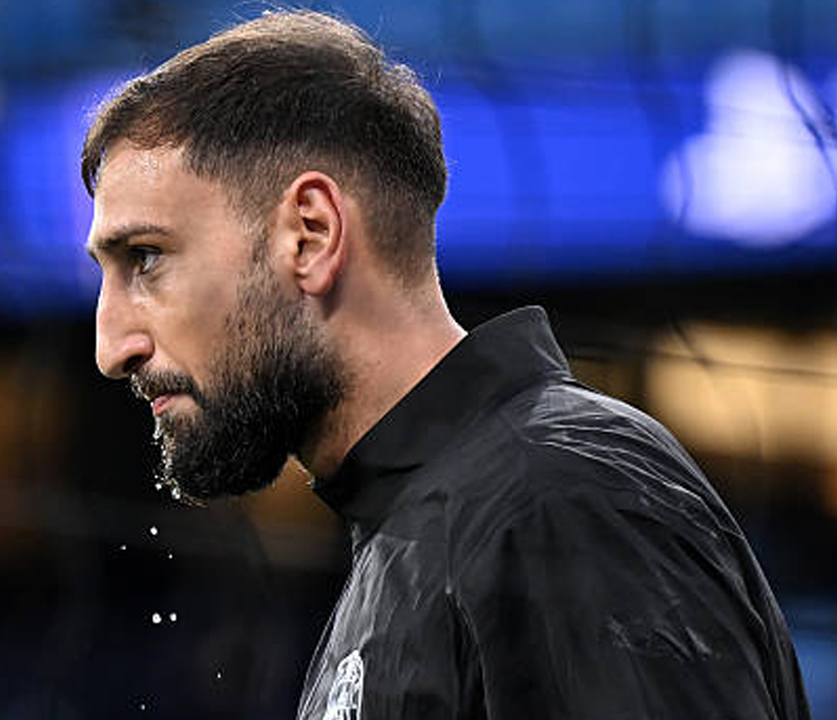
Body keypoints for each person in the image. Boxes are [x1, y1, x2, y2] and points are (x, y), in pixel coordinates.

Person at [80, 9, 811, 720]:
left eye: (145, 258)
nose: (112, 348)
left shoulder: (555, 501)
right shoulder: (421, 530)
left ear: (310, 234)